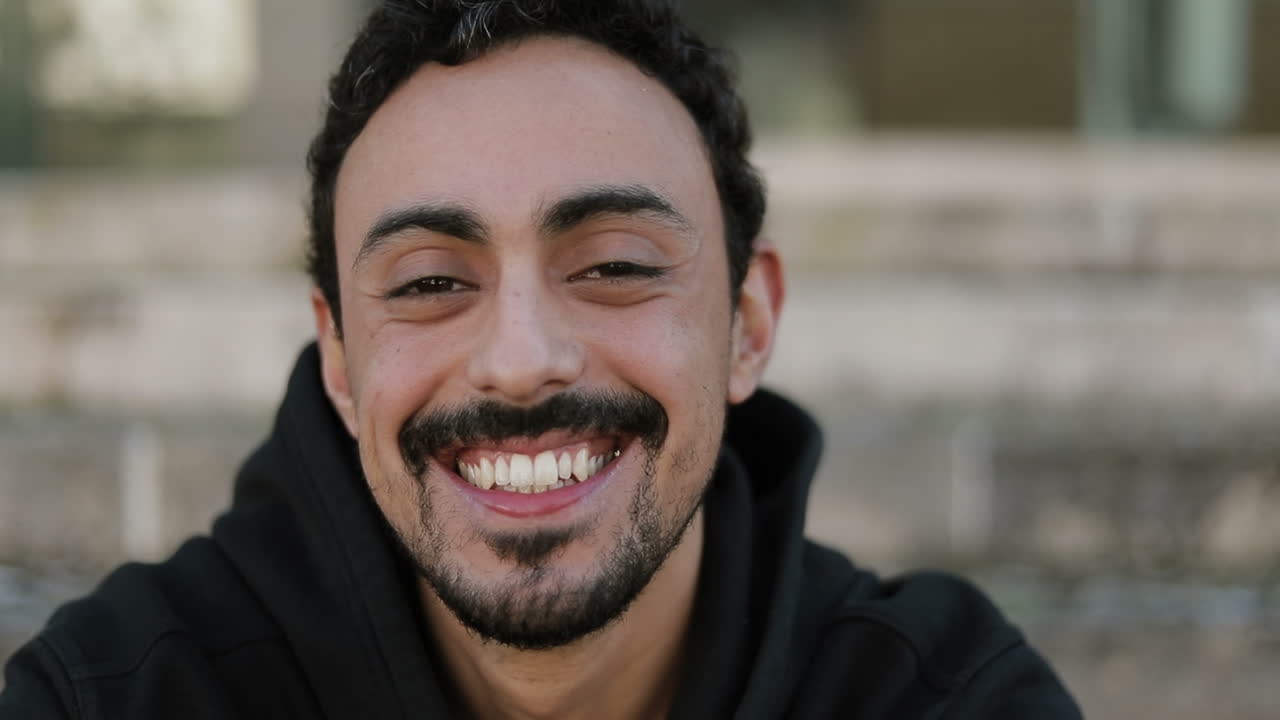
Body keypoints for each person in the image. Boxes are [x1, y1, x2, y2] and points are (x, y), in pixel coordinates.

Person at [0, 1, 1082, 718]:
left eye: (611, 265)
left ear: (747, 323)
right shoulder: (120, 695)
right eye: (431, 283)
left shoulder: (937, 700)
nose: (519, 362)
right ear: (337, 357)